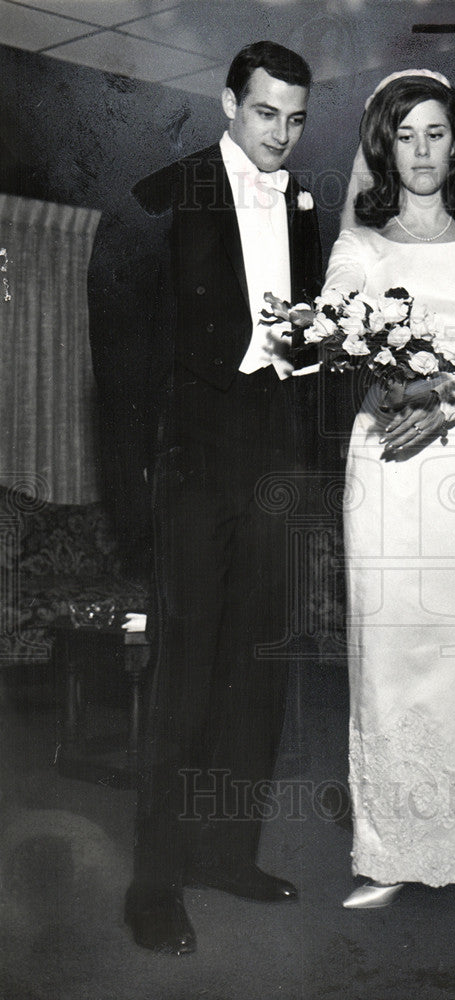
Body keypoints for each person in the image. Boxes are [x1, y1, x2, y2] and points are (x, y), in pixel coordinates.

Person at [117, 41, 322, 955]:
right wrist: (137, 484)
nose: (280, 134)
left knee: (258, 668)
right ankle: (152, 883)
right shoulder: (169, 194)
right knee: (185, 675)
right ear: (229, 105)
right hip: (194, 461)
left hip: (275, 457)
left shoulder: (306, 206)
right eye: (265, 113)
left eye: (295, 118)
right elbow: (123, 360)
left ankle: (225, 853)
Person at [324, 70, 455, 920]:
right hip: (386, 459)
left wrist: (440, 407)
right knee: (391, 655)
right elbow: (333, 333)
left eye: (436, 134)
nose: (420, 151)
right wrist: (384, 386)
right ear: (383, 145)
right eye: (404, 135)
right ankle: (391, 851)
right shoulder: (358, 248)